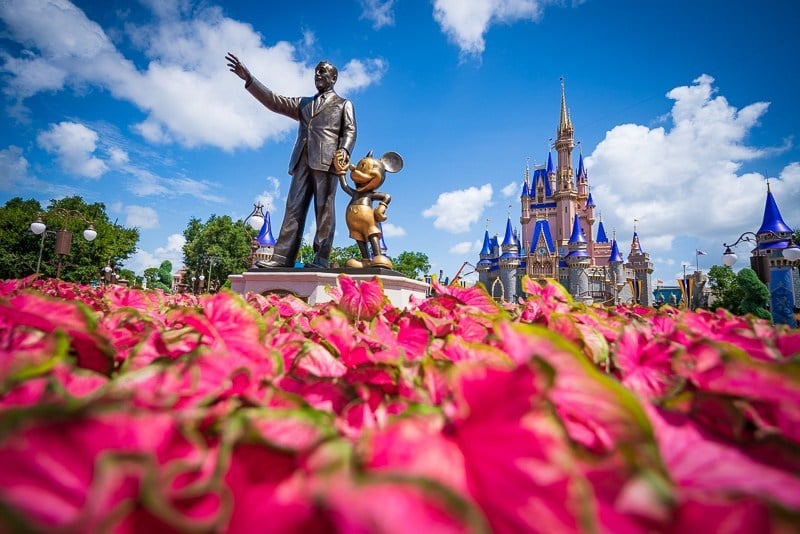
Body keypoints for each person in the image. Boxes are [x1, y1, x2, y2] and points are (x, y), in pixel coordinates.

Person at [225, 53, 357, 268]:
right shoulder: (303, 103)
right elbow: (275, 101)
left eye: (323, 72)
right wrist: (249, 79)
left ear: (334, 78)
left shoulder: (343, 104)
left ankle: (321, 258)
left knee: (324, 210)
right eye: (316, 71)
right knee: (293, 207)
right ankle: (281, 258)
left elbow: (350, 131)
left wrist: (343, 150)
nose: (318, 74)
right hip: (301, 160)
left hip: (327, 161)